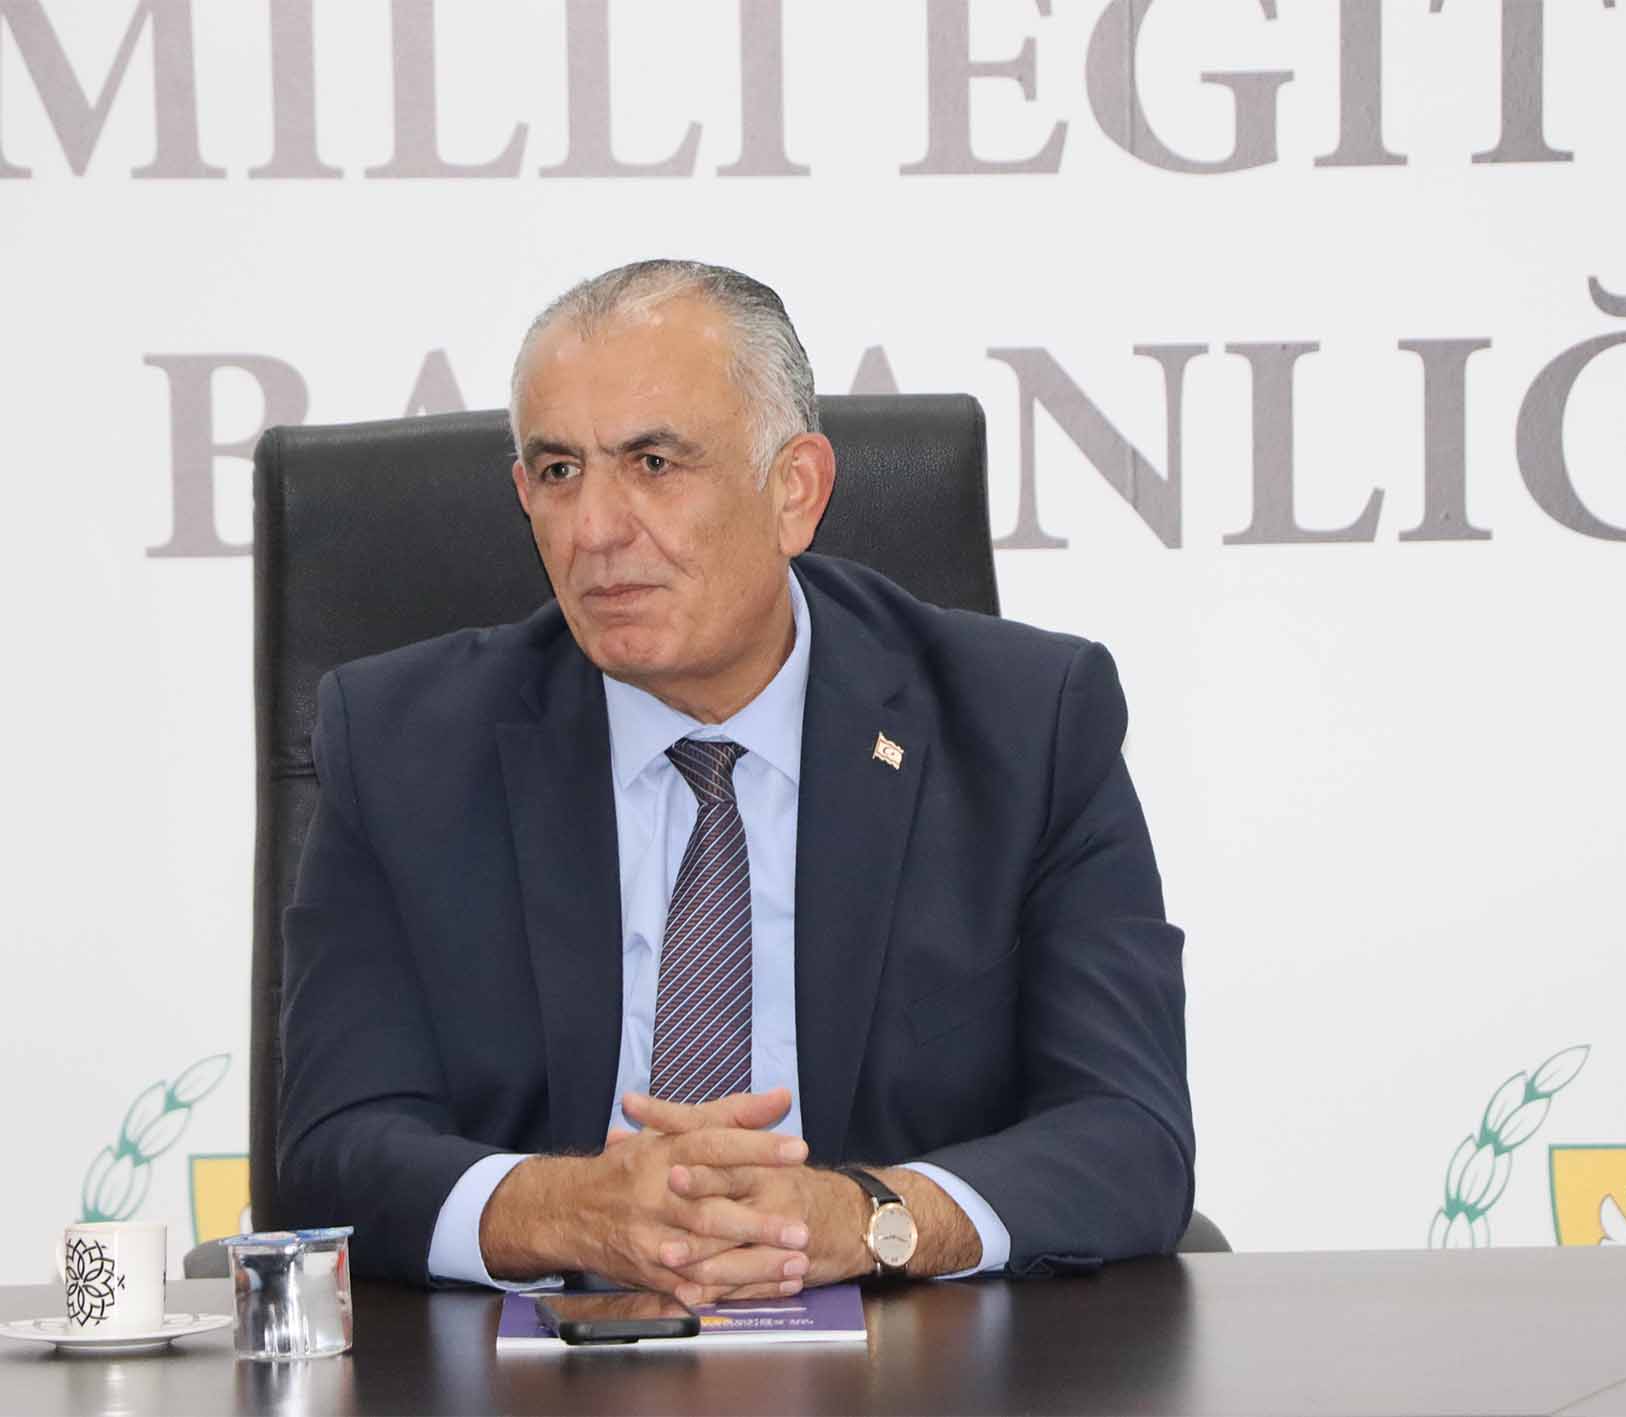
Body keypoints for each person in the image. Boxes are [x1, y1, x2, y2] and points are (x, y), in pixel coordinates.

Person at [276, 259, 1193, 1300]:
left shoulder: (1027, 727)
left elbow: (1130, 1135)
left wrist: (866, 1217)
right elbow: (332, 1151)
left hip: (904, 1353)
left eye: (654, 462)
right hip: (533, 1357)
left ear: (794, 491)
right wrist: (572, 1210)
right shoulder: (401, 747)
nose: (596, 531)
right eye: (560, 471)